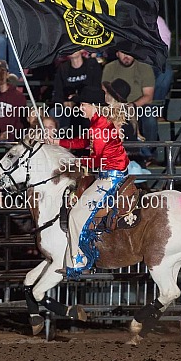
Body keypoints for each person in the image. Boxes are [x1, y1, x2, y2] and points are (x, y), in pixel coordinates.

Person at [47, 85, 129, 277]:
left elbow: (97, 159)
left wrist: (74, 162)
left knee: (76, 214)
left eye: (83, 104)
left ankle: (78, 260)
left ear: (94, 105)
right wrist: (58, 143)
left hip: (110, 176)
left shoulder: (99, 126)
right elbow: (84, 142)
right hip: (107, 173)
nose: (81, 107)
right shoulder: (97, 124)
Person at [102, 50, 157, 160]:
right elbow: (105, 91)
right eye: (123, 53)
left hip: (139, 105)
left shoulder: (144, 68)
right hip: (115, 105)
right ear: (117, 53)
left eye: (129, 52)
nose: (126, 56)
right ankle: (141, 154)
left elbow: (148, 96)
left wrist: (132, 105)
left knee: (149, 116)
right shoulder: (110, 67)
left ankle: (150, 150)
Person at [51, 50, 102, 129]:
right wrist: (64, 102)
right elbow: (57, 93)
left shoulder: (91, 65)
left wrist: (80, 100)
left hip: (88, 104)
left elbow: (96, 88)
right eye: (70, 48)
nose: (73, 50)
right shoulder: (63, 69)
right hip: (69, 107)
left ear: (82, 50)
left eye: (75, 47)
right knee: (55, 112)